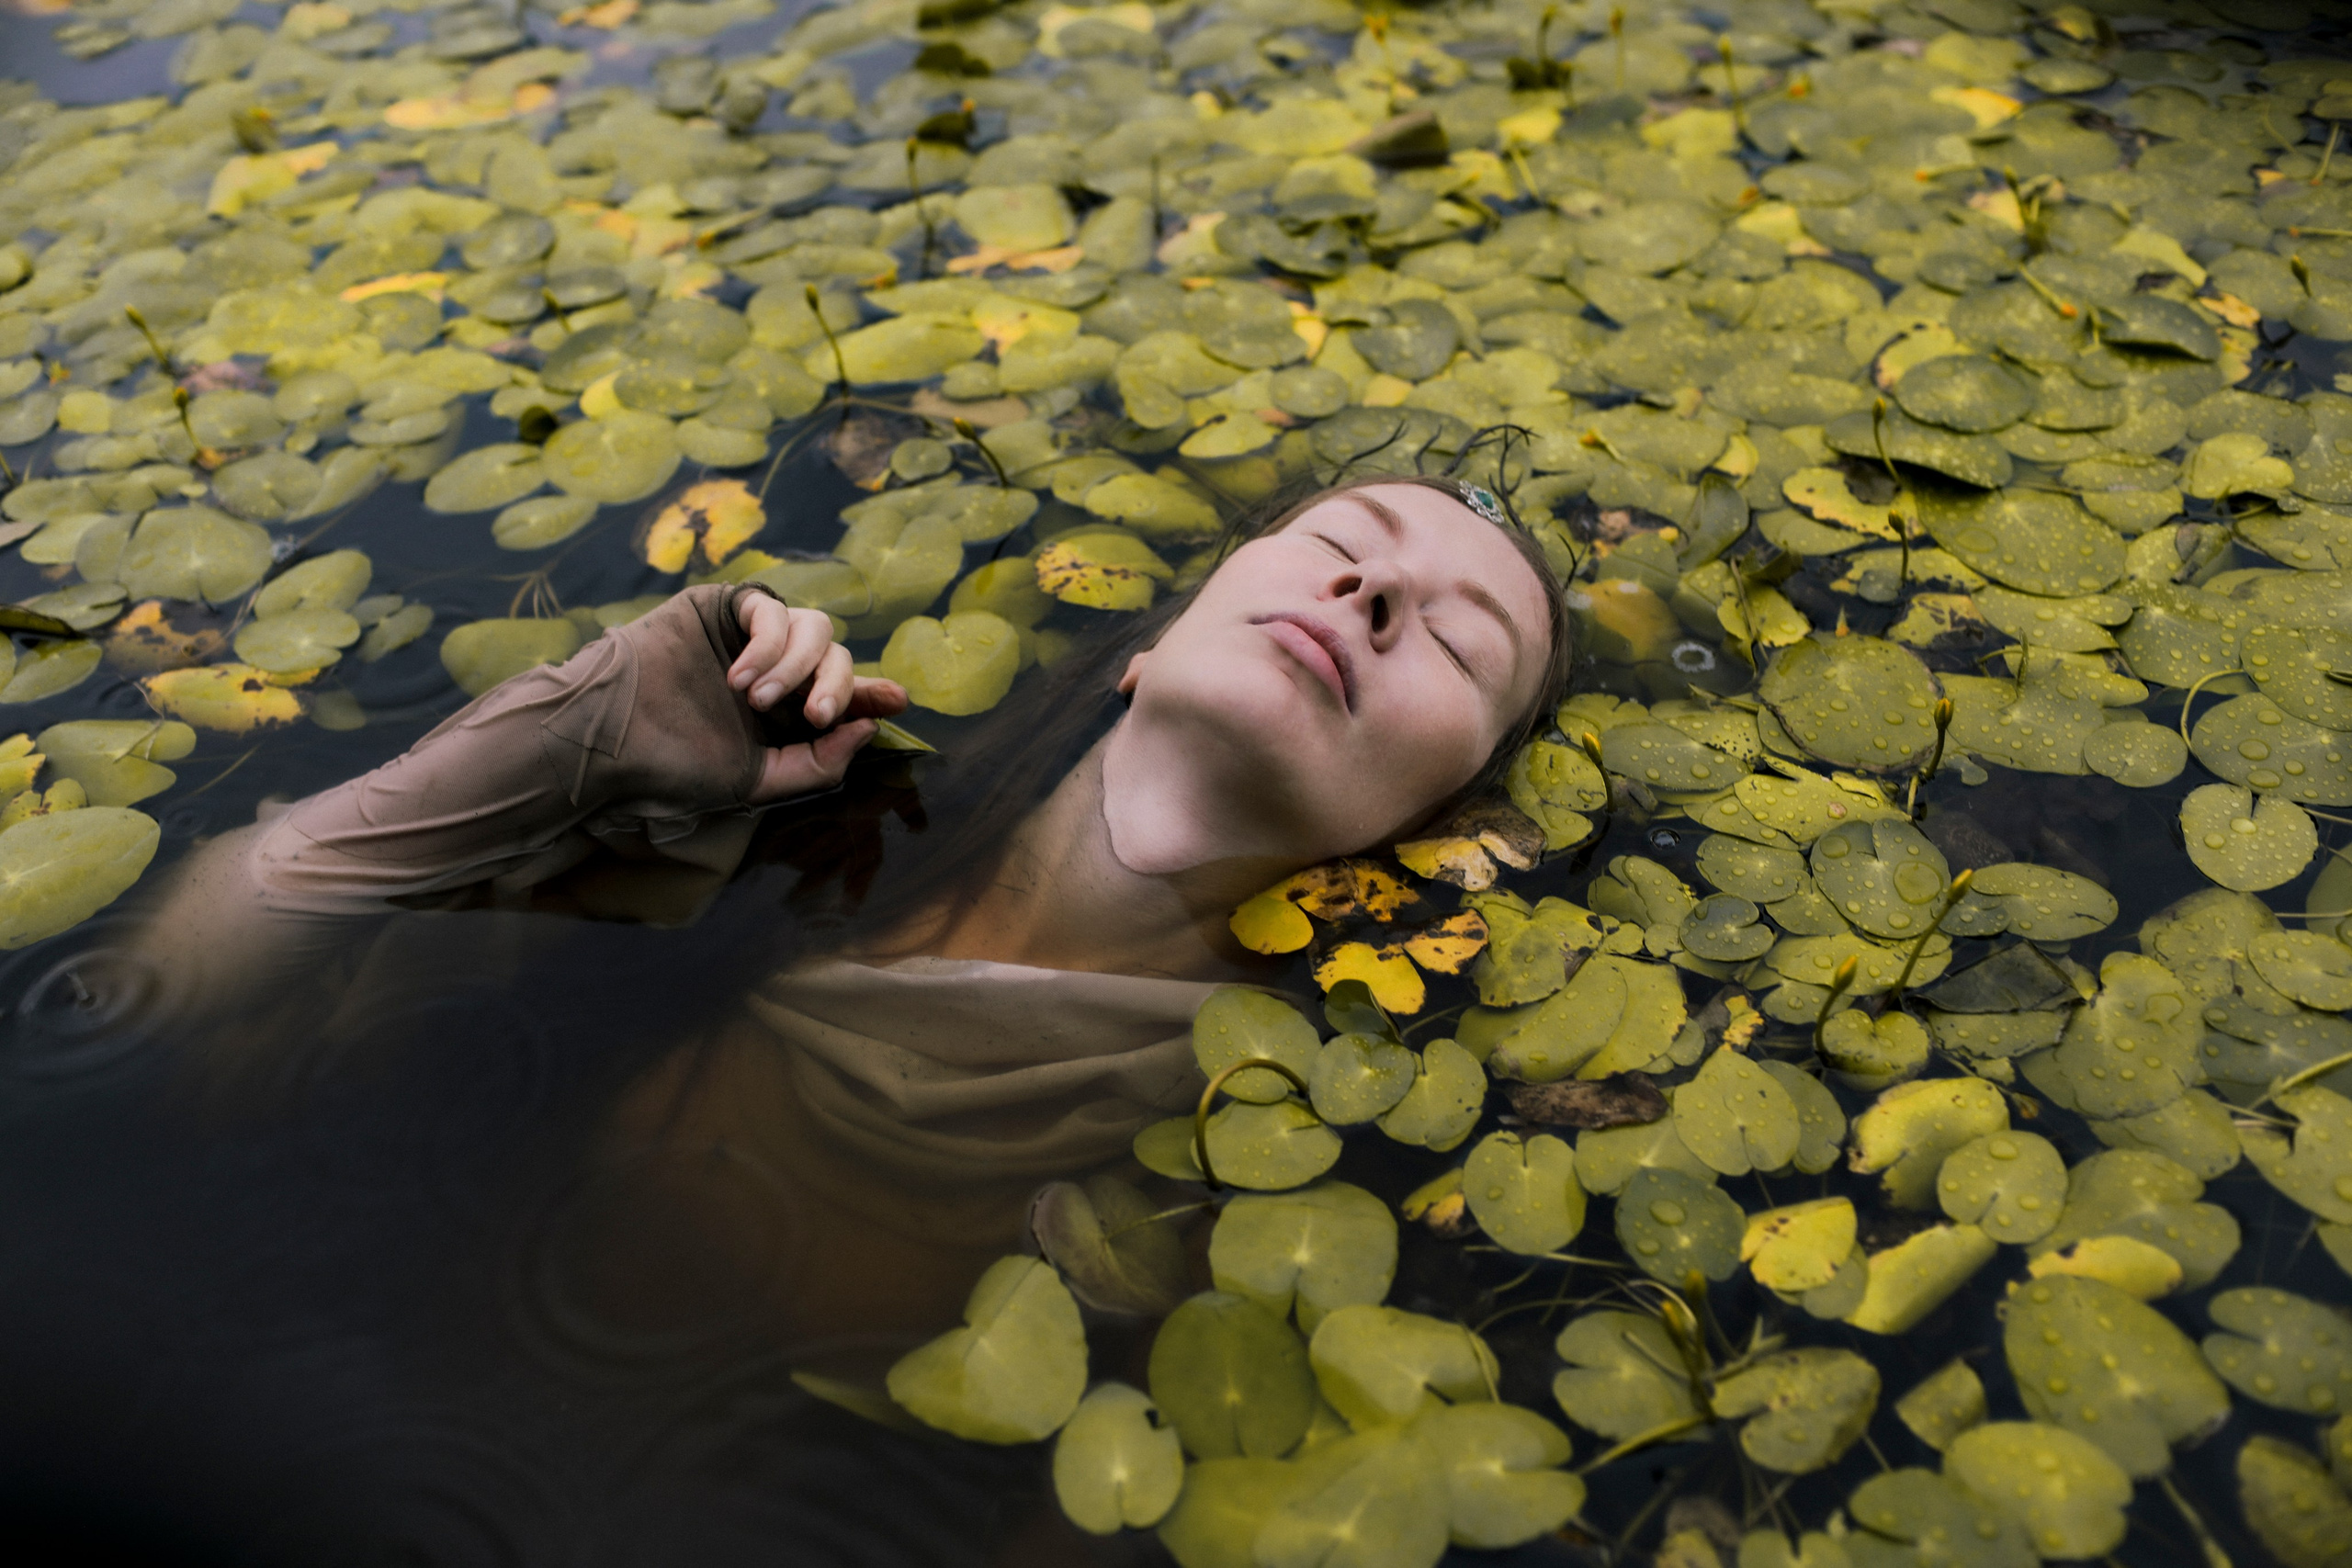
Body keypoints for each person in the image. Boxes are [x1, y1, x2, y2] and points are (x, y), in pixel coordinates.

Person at [131, 473, 1573, 1356]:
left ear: (1437, 830)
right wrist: (536, 754)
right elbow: (166, 1030)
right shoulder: (767, 826)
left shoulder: (1268, 1169)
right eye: (1343, 539)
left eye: (1458, 637)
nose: (1375, 586)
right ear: (1151, 642)